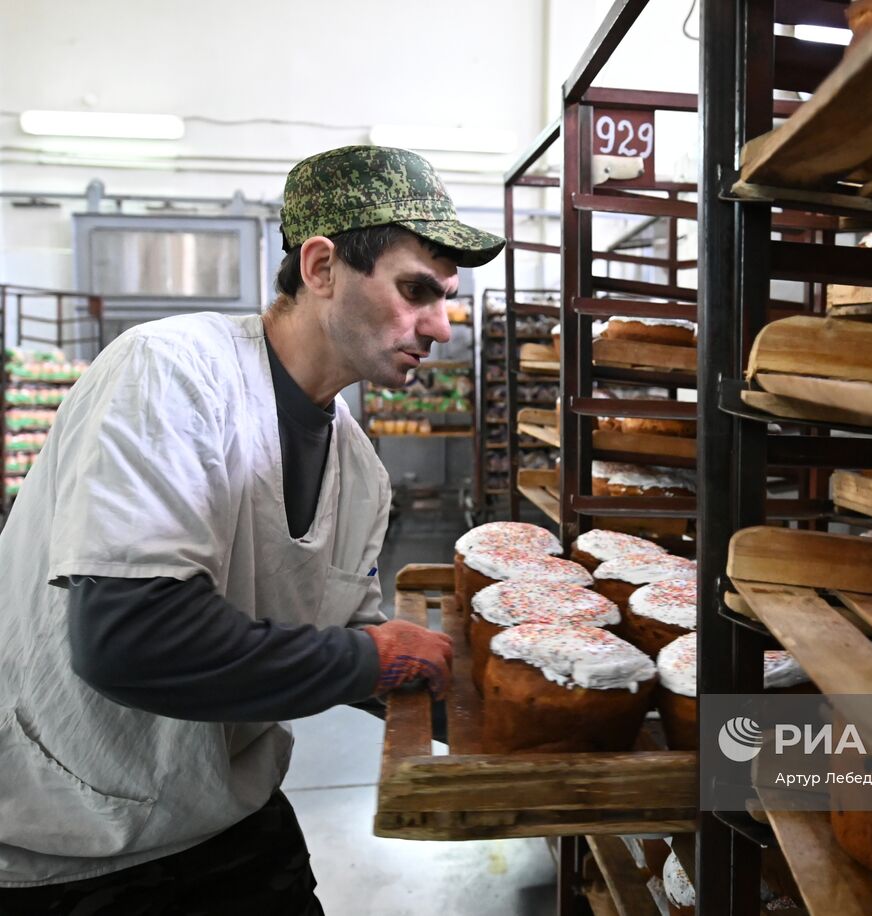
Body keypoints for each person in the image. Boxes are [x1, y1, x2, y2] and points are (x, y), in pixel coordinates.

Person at [0, 145, 504, 913]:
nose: (440, 324)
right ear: (322, 266)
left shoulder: (359, 471)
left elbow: (332, 638)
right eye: (416, 291)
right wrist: (370, 658)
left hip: (221, 807)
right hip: (66, 835)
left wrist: (529, 705)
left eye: (446, 298)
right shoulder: (170, 374)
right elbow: (130, 639)